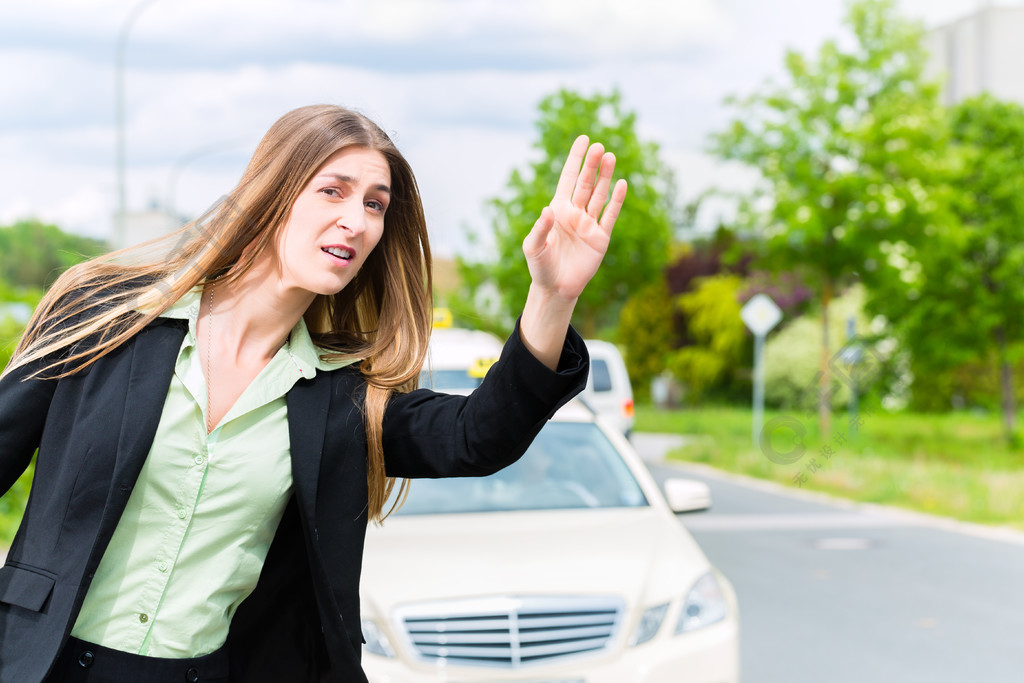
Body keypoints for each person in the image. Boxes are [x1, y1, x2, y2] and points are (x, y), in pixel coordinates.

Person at [0, 104, 627, 683]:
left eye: (376, 205)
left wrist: (553, 297)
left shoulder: (340, 399)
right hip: (39, 663)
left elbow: (477, 437)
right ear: (273, 195)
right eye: (333, 191)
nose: (356, 221)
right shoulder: (109, 317)